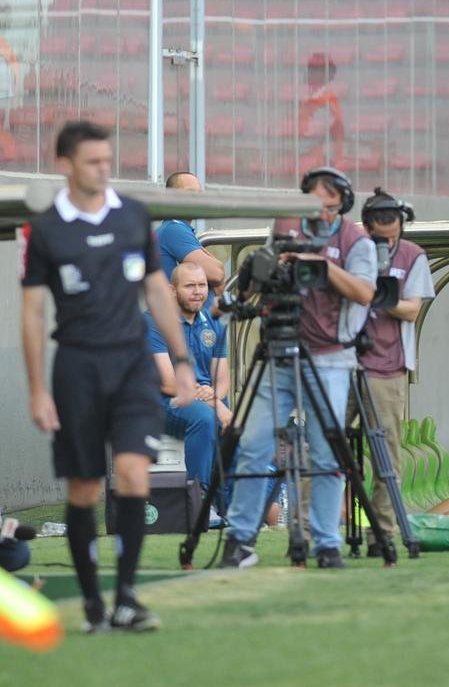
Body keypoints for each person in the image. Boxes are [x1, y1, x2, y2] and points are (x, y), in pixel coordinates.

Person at [20, 120, 198, 632]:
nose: (104, 169)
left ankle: (125, 596)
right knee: (83, 486)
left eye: (107, 160)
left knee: (133, 471)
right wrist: (36, 388)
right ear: (66, 166)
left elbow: (158, 292)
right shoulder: (47, 229)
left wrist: (182, 362)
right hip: (76, 366)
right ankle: (94, 605)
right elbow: (33, 313)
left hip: (131, 366)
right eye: (93, 162)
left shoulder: (133, 217)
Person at [221, 166, 376, 569]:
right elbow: (260, 276)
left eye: (327, 202)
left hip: (329, 358)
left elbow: (364, 292)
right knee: (253, 446)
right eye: (312, 201)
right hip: (278, 352)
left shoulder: (355, 239)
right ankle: (240, 540)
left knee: (326, 455)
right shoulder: (287, 227)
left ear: (341, 201)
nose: (320, 211)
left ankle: (326, 543)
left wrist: (320, 265)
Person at [344, 188, 434, 556]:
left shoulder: (412, 255)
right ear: (366, 224)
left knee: (386, 455)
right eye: (379, 224)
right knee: (323, 445)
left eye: (392, 223)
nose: (386, 232)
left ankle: (381, 534)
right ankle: (320, 530)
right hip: (344, 359)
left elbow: (412, 309)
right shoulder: (353, 250)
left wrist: (377, 297)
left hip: (387, 366)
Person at [144, 262, 232, 500]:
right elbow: (167, 383)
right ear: (172, 290)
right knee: (205, 419)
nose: (198, 291)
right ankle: (199, 500)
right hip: (166, 402)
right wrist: (215, 404)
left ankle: (231, 507)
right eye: (190, 286)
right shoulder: (154, 321)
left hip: (207, 399)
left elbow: (223, 378)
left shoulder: (214, 320)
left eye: (202, 285)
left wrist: (214, 398)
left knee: (239, 425)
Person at [157, 171, 226, 292]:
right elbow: (217, 274)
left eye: (200, 194)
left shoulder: (178, 229)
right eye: (190, 193)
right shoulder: (174, 230)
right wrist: (218, 265)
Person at [298, 52, 345, 167]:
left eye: (318, 70)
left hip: (320, 159)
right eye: (312, 69)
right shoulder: (307, 98)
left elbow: (318, 132)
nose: (313, 74)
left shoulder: (329, 100)